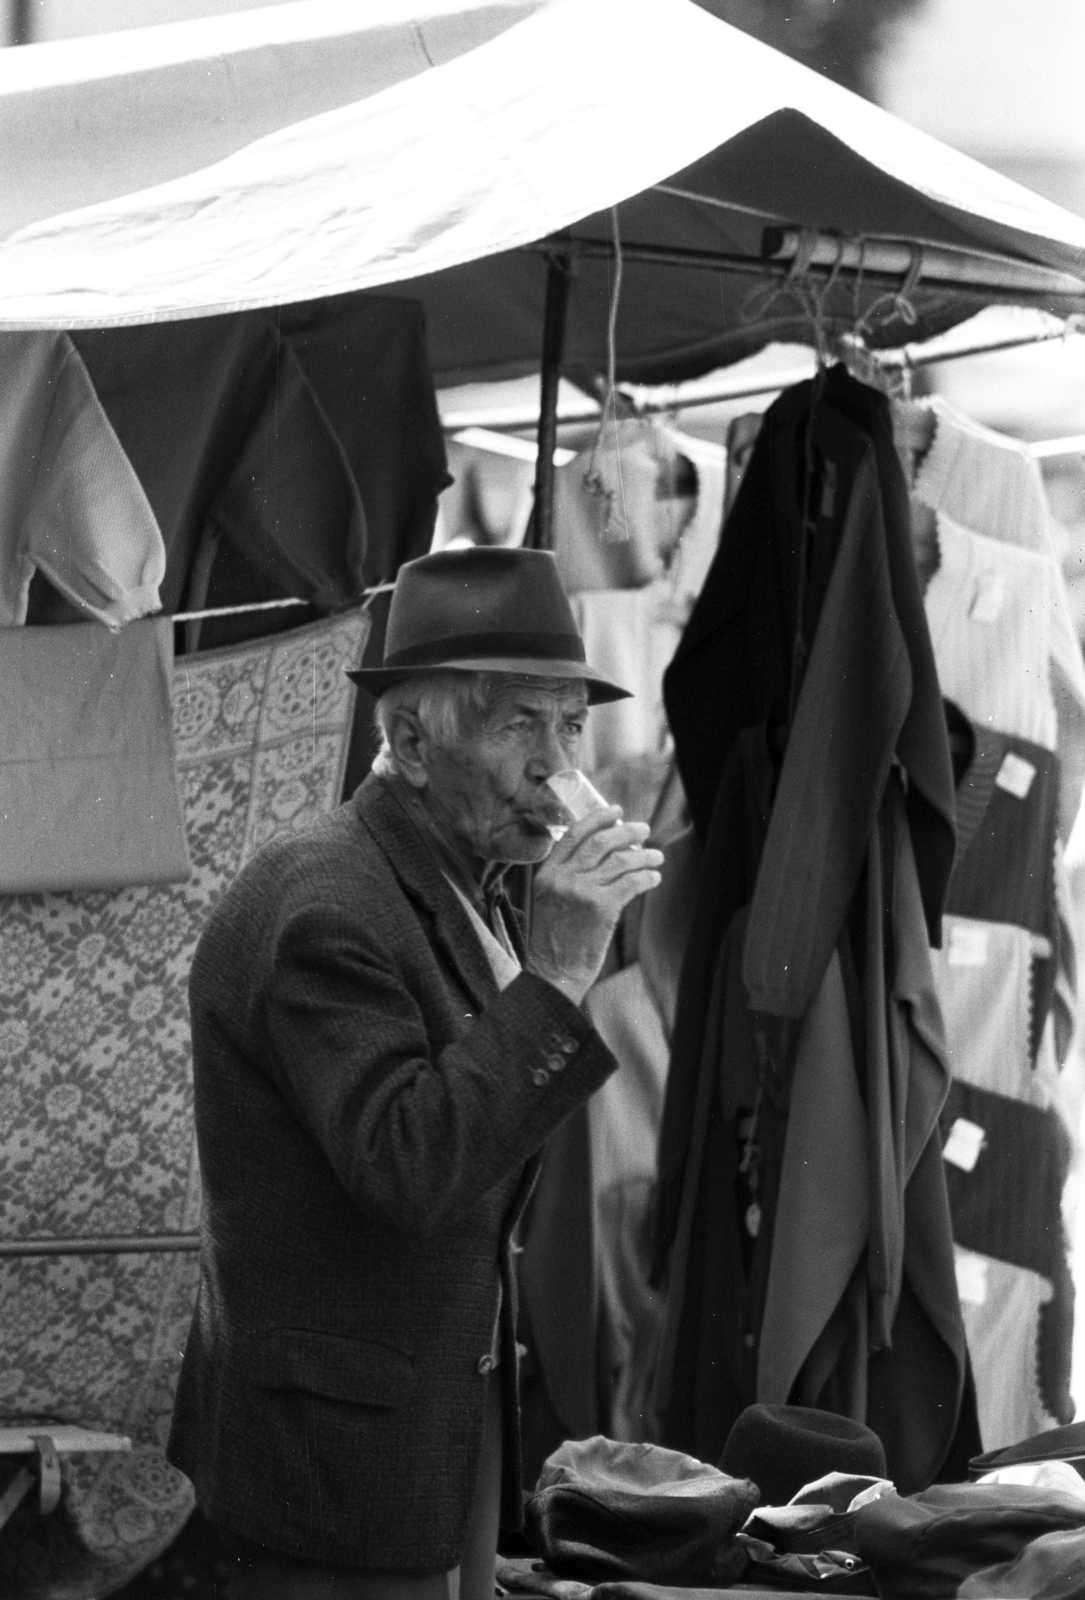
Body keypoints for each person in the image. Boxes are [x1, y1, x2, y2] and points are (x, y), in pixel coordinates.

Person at [167, 546, 664, 1600]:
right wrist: (563, 968)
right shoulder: (327, 901)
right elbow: (407, 1168)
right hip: (330, 1463)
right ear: (407, 740)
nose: (556, 764)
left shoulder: (464, 877)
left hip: (419, 1427)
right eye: (517, 724)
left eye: (570, 725)